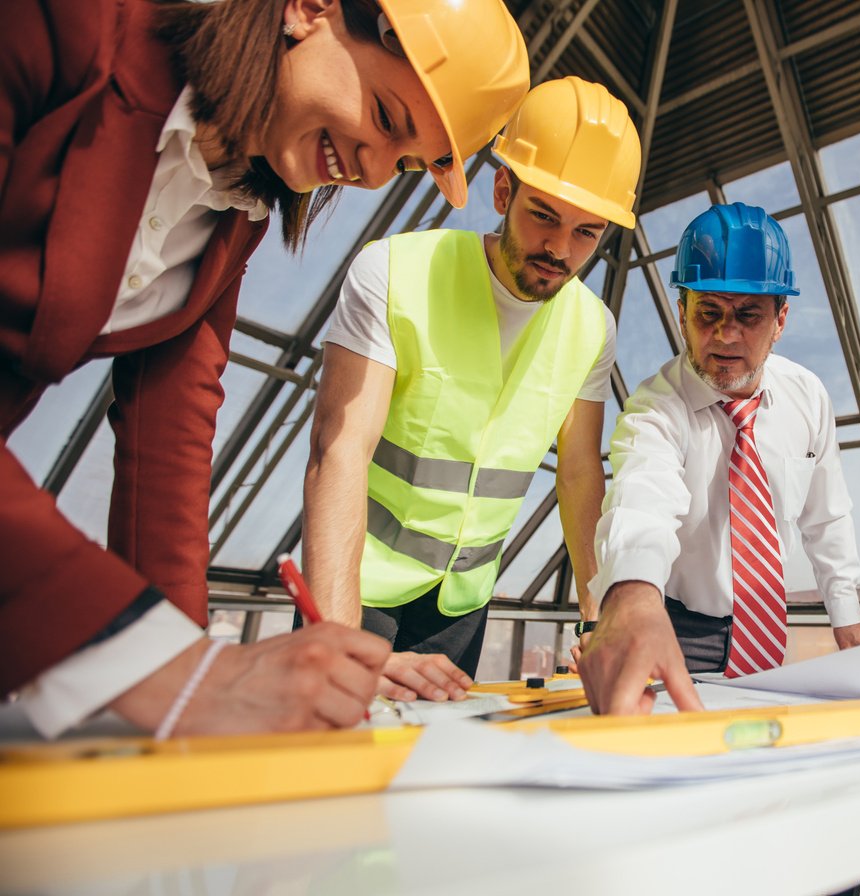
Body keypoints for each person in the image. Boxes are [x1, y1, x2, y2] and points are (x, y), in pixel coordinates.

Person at [1, 0, 530, 738]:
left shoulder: (231, 214)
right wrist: (165, 671)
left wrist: (195, 680)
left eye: (405, 163)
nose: (374, 174)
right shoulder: (63, 24)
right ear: (308, 9)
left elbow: (168, 449)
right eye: (385, 116)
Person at [302, 76, 641, 701]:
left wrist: (598, 617)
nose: (560, 250)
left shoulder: (593, 326)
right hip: (355, 584)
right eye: (544, 216)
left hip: (462, 606)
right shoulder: (394, 271)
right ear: (503, 188)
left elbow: (578, 474)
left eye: (587, 233)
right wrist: (336, 637)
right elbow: (338, 450)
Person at [580, 203, 860, 716]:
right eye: (709, 312)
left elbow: (826, 516)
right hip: (674, 629)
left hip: (769, 631)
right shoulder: (655, 406)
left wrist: (847, 617)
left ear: (781, 319)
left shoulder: (808, 397)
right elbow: (641, 502)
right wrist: (635, 599)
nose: (727, 335)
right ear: (681, 311)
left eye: (748, 315)